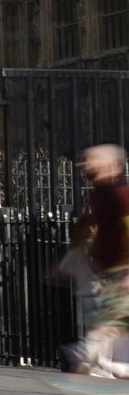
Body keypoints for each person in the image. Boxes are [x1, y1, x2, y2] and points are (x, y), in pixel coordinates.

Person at [63, 144, 129, 378]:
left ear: (113, 164)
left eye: (91, 159)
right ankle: (102, 365)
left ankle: (87, 359)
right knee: (116, 325)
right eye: (83, 159)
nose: (84, 163)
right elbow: (83, 228)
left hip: (123, 270)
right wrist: (67, 265)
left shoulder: (120, 193)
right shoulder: (99, 193)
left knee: (110, 321)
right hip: (109, 271)